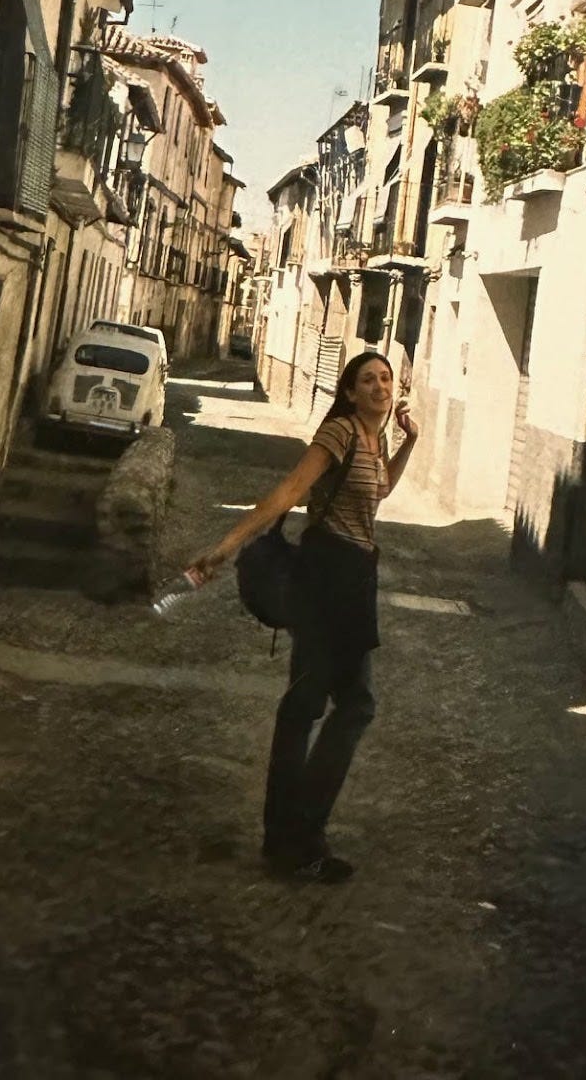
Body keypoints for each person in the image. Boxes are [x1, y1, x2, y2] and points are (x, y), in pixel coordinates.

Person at [186, 351, 418, 884]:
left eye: (386, 378)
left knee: (348, 704)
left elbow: (380, 490)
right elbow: (290, 492)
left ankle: (294, 830)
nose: (381, 386)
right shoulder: (338, 432)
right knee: (316, 704)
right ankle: (294, 835)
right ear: (350, 390)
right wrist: (226, 546)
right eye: (369, 380)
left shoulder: (373, 437)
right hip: (325, 576)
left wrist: (411, 441)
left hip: (356, 576)